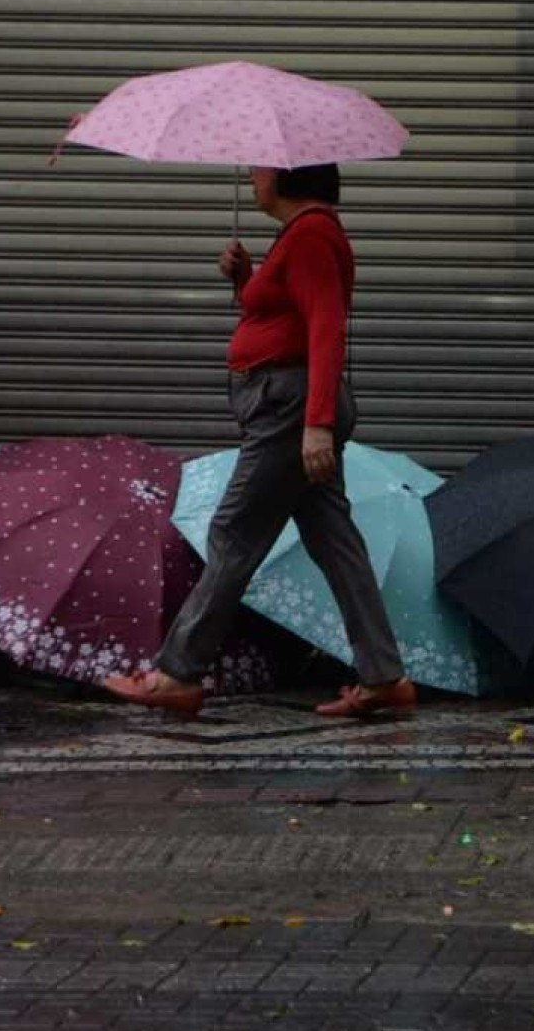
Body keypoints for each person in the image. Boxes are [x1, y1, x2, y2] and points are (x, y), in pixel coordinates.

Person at [103, 163, 416, 721]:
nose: (253, 176)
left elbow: (325, 327)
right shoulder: (299, 235)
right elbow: (287, 315)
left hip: (289, 410)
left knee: (234, 531)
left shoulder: (313, 234)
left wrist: (316, 423)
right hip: (288, 405)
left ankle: (177, 673)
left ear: (291, 175)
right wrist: (247, 278)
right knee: (333, 539)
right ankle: (384, 675)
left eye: (261, 168)